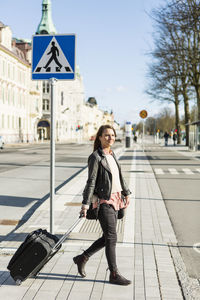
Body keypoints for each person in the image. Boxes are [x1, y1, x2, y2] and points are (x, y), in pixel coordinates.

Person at [73, 125, 132, 285]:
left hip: (116, 200)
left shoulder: (112, 154)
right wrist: (85, 204)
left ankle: (82, 258)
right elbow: (91, 181)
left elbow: (119, 176)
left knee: (108, 236)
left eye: (112, 135)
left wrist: (126, 192)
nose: (110, 138)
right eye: (106, 135)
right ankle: (113, 274)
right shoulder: (95, 157)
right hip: (103, 201)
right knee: (112, 237)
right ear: (99, 137)